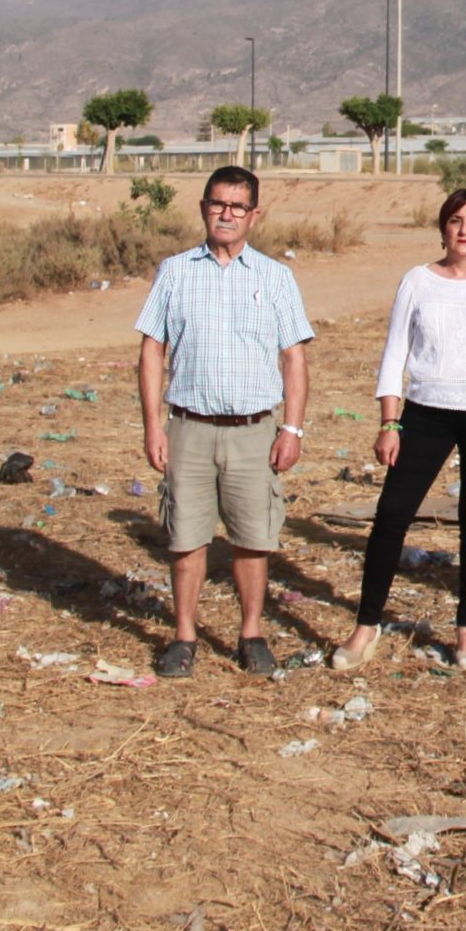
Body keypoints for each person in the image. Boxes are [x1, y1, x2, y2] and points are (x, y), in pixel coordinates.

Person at [335, 189, 466, 674]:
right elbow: (394, 355)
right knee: (391, 515)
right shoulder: (418, 281)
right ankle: (367, 626)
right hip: (426, 412)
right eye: (455, 220)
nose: (464, 229)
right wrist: (389, 422)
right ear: (442, 227)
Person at [135, 166, 313, 678]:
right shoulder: (175, 271)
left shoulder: (275, 277)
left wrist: (292, 429)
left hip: (255, 430)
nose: (227, 214)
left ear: (254, 215)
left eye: (238, 206)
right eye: (218, 204)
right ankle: (184, 636)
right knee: (185, 538)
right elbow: (152, 350)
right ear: (203, 208)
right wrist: (153, 426)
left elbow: (294, 358)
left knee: (252, 539)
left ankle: (250, 632)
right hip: (188, 427)